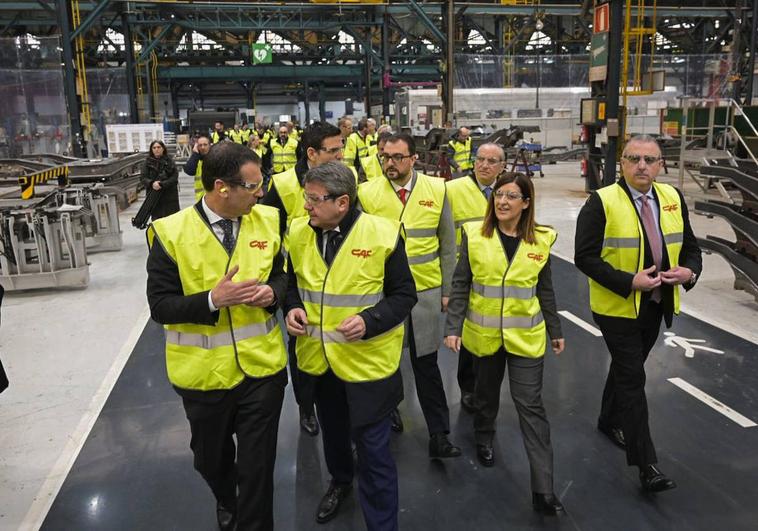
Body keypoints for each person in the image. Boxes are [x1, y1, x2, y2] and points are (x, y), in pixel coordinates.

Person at [146, 142, 288, 531]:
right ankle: (227, 498)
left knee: (258, 466)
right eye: (254, 186)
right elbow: (160, 306)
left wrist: (274, 292)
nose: (261, 193)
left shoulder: (269, 219)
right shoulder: (170, 233)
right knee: (210, 459)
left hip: (263, 370)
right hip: (204, 375)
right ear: (223, 187)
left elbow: (282, 274)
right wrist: (212, 299)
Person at [285, 162, 416, 530]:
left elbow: (404, 295)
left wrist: (369, 321)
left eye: (313, 199)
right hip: (320, 362)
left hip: (367, 365)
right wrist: (292, 306)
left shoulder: (383, 234)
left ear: (342, 202)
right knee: (335, 439)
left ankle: (382, 524)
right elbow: (293, 283)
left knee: (374, 452)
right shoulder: (298, 232)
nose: (306, 206)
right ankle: (340, 482)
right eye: (305, 197)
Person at [575, 134, 702, 493]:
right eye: (634, 158)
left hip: (657, 304)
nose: (642, 165)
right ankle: (647, 464)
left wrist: (688, 272)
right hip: (617, 308)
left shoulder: (673, 198)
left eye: (650, 159)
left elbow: (691, 248)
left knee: (627, 367)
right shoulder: (601, 202)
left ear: (661, 165)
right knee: (633, 378)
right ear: (623, 162)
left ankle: (606, 418)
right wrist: (629, 281)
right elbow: (584, 257)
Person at [444, 172, 566, 515]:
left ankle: (543, 489)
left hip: (525, 338)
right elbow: (461, 283)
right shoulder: (475, 236)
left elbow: (545, 289)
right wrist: (452, 327)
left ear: (526, 203)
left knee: (531, 407)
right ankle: (484, 437)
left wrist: (555, 329)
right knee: (485, 396)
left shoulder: (540, 240)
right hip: (484, 336)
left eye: (512, 196)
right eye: (499, 194)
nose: (502, 201)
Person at [358, 133, 461, 457]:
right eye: (385, 157)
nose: (390, 163)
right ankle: (389, 412)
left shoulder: (437, 188)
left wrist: (447, 290)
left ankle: (439, 434)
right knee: (386, 363)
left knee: (426, 364)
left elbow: (448, 245)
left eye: (398, 157)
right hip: (384, 293)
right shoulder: (367, 193)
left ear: (414, 158)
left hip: (426, 292)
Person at [262, 120, 352, 436]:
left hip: (341, 275)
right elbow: (267, 233)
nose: (342, 155)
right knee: (301, 343)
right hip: (298, 279)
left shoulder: (347, 178)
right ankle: (306, 408)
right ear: (312, 153)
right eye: (334, 150)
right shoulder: (284, 185)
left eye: (342, 147)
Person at [445, 143, 507, 412]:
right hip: (465, 274)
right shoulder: (452, 190)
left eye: (492, 161)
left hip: (499, 275)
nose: (485, 165)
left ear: (502, 166)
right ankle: (468, 388)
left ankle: (486, 387)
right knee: (469, 334)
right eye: (480, 159)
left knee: (492, 333)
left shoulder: (508, 191)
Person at [140, 140, 179, 220]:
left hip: (170, 197)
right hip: (154, 197)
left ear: (163, 149)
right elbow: (143, 178)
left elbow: (174, 177)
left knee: (172, 221)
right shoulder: (147, 163)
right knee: (157, 221)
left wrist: (162, 184)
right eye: (154, 148)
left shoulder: (170, 161)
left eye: (158, 147)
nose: (156, 149)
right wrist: (152, 183)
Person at [184, 134, 211, 201]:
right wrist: (195, 154)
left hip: (214, 198)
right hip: (200, 199)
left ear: (210, 146)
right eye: (200, 145)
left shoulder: (215, 159)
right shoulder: (196, 159)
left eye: (205, 145)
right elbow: (189, 171)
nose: (202, 147)